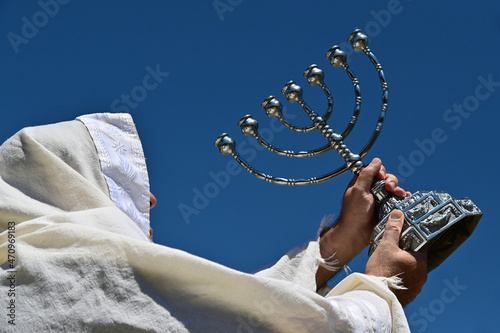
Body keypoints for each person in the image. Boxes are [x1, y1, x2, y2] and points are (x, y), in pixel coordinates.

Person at [0, 113, 426, 332]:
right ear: (72, 182)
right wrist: (380, 291)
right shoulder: (59, 274)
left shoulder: (22, 261)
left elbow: (222, 311)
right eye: (124, 181)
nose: (151, 199)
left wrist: (335, 247)